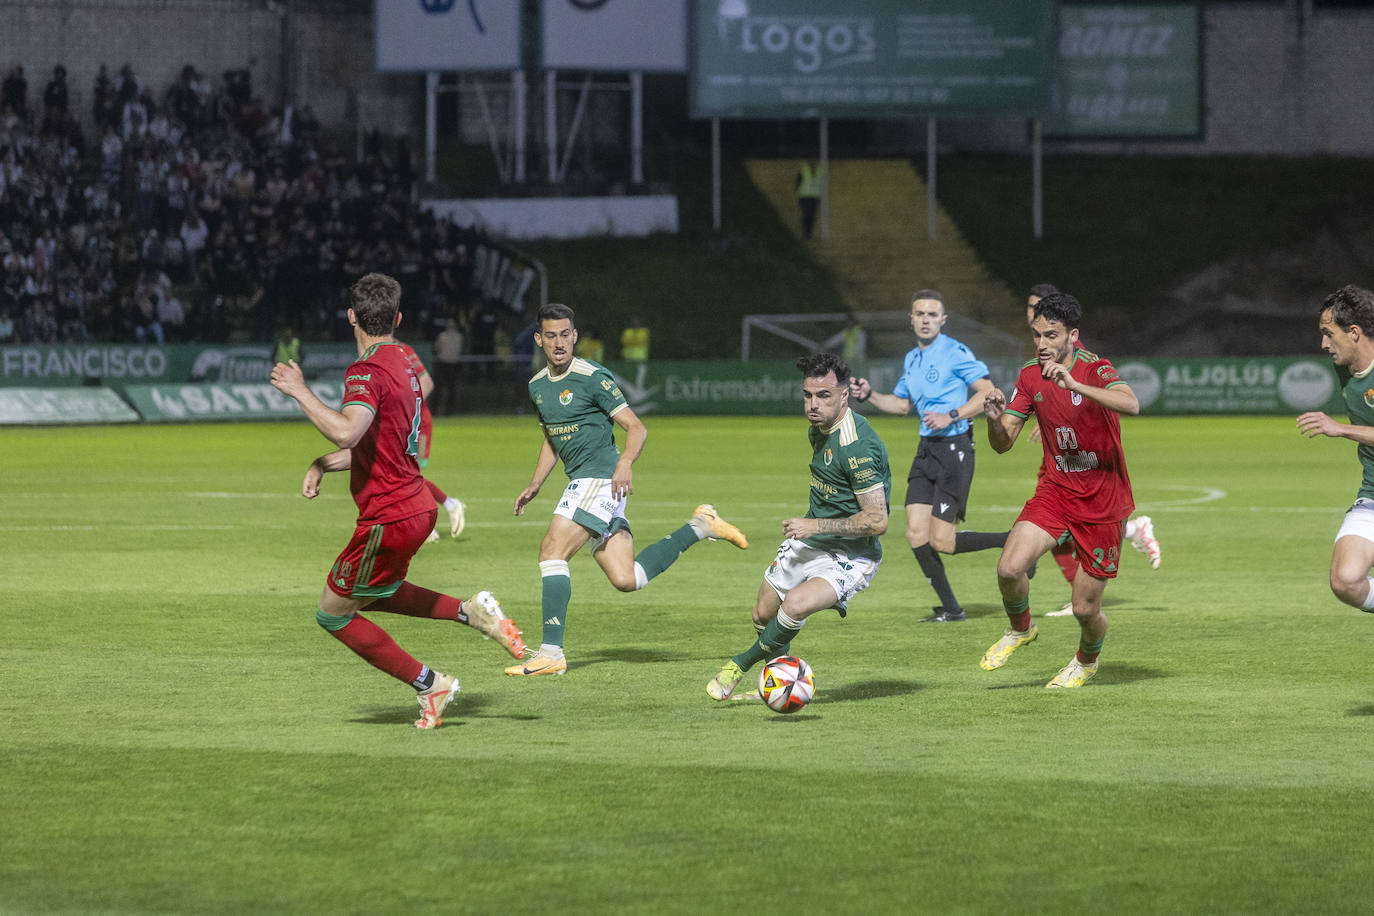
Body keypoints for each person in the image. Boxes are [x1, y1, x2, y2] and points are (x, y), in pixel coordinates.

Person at [268, 272, 525, 729]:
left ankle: (431, 684)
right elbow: (374, 443)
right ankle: (470, 611)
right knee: (372, 593)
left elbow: (349, 429)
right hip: (416, 505)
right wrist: (324, 463)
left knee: (333, 614)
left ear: (351, 317)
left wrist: (298, 390)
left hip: (388, 514)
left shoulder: (366, 370)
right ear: (398, 318)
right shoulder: (406, 364)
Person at [510, 302, 749, 676]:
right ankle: (700, 526)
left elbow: (636, 427)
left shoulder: (592, 376)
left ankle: (550, 654)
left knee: (551, 552)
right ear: (539, 340)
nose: (560, 343)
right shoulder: (537, 386)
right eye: (551, 336)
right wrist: (535, 483)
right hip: (586, 481)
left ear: (575, 337)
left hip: (601, 478)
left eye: (566, 335)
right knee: (627, 578)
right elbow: (552, 437)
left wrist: (624, 464)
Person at [707, 352, 890, 700]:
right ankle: (779, 686)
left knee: (793, 605)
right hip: (813, 538)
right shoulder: (819, 428)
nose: (813, 404)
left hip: (851, 554)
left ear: (844, 395)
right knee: (763, 613)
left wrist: (814, 525)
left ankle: (739, 666)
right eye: (808, 395)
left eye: (823, 396)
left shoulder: (858, 447)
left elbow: (877, 520)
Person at [979, 291, 1139, 688]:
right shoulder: (1029, 375)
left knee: (1085, 609)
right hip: (1056, 491)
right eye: (1036, 335)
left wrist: (1074, 385)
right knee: (1009, 568)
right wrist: (995, 420)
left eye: (1051, 335)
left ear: (1073, 335)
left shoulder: (1094, 368)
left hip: (1103, 499)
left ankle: (1086, 660)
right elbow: (1003, 443)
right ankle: (1021, 629)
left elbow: (1131, 403)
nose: (1041, 344)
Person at [849, 290, 1009, 622]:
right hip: (926, 451)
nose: (925, 319)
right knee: (915, 534)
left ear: (942, 320)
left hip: (955, 450)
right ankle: (951, 608)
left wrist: (952, 414)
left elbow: (987, 393)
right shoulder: (912, 359)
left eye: (931, 314)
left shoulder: (955, 352)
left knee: (943, 541)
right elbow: (901, 405)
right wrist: (869, 395)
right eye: (919, 314)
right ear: (911, 319)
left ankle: (1010, 541)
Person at [1024, 283, 1161, 616]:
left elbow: (1122, 401)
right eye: (1030, 308)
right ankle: (1078, 595)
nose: (1034, 315)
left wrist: (1071, 396)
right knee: (1054, 532)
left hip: (1086, 467)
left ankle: (1129, 531)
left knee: (1062, 531)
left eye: (1040, 307)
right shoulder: (1039, 357)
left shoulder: (1081, 357)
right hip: (1059, 463)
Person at [1297, 284, 1374, 613]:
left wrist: (1340, 428)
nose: (1323, 344)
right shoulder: (1344, 369)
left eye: (1329, 333)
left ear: (1354, 332)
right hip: (1372, 492)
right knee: (1345, 580)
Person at [395, 337, 467, 542]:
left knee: (409, 476)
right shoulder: (381, 352)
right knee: (405, 476)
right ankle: (448, 507)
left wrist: (405, 410)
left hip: (417, 425)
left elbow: (426, 383)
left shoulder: (403, 350)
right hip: (403, 425)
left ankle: (428, 524)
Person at [431, 318, 464, 416]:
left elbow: (436, 348)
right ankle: (446, 411)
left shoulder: (443, 336)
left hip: (446, 363)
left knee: (444, 389)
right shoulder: (458, 337)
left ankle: (439, 410)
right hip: (448, 364)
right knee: (448, 389)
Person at [795, 161, 825, 240]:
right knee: (806, 215)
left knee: (811, 216)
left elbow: (822, 184)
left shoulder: (820, 172)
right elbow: (797, 183)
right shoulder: (804, 171)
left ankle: (808, 233)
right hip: (805, 198)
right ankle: (806, 233)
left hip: (814, 198)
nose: (813, 165)